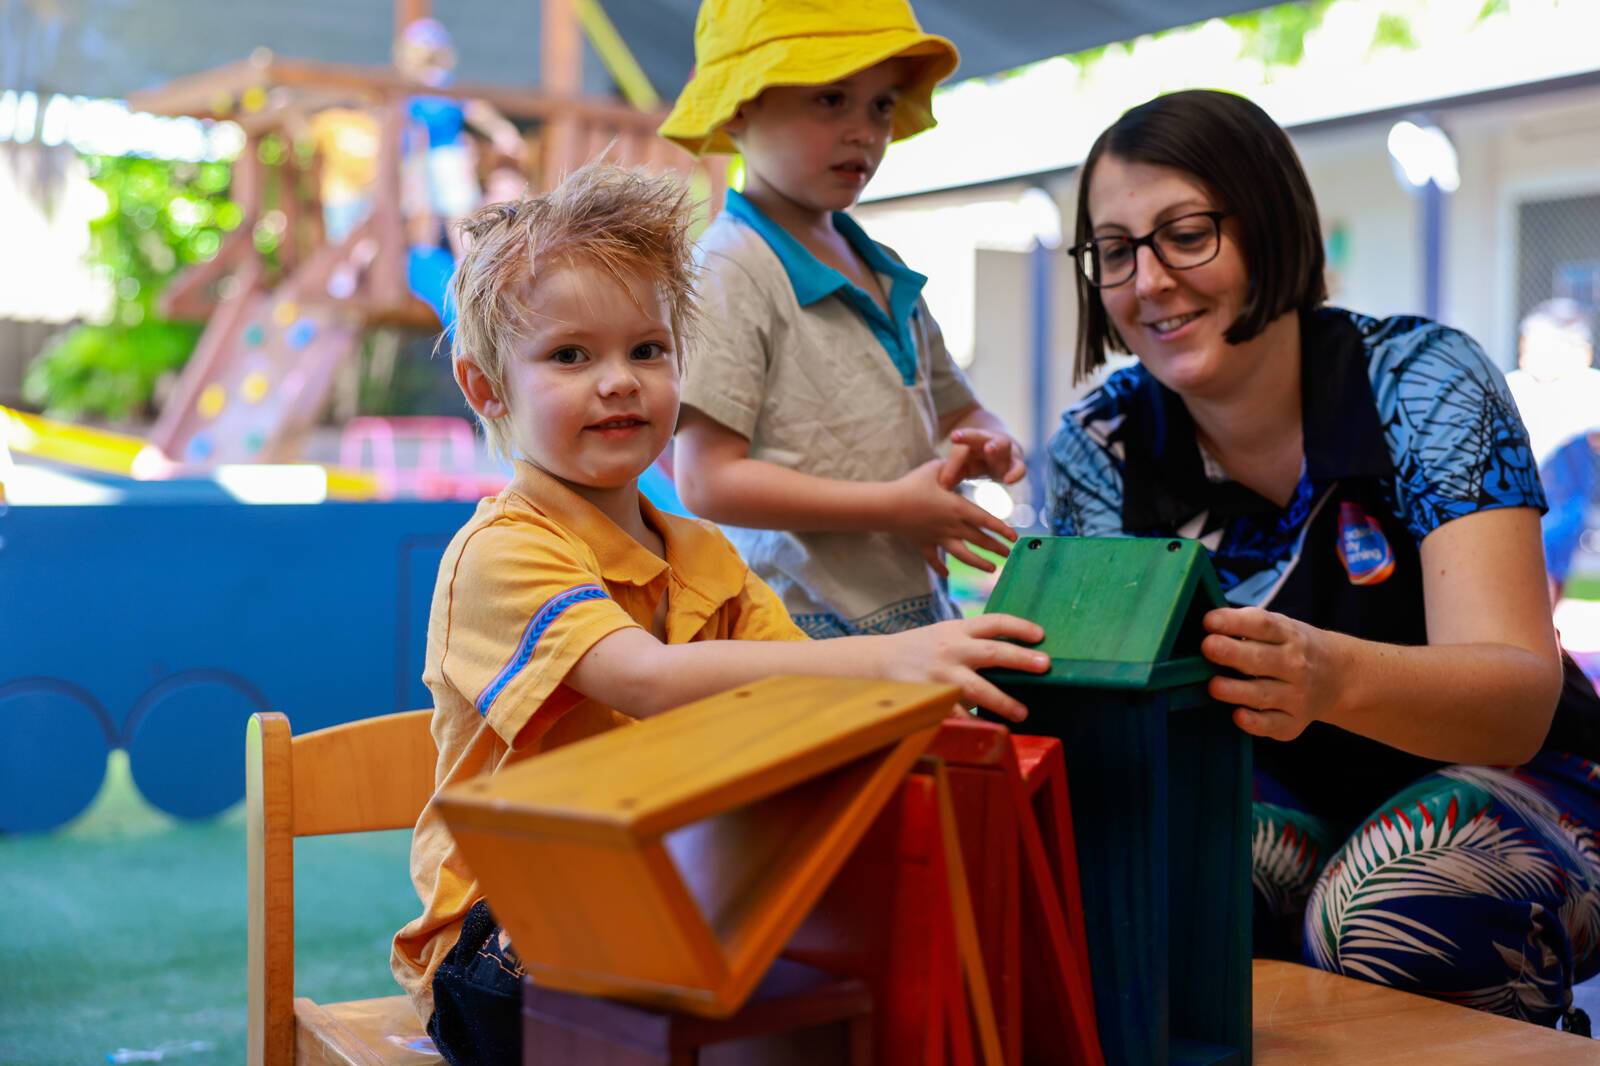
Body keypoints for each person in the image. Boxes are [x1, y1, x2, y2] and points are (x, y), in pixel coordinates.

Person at [389, 162, 1049, 1066]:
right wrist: (893, 657)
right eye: (570, 356)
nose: (619, 382)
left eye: (647, 351)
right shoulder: (503, 549)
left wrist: (927, 701)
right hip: (502, 932)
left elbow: (801, 702)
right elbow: (646, 680)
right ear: (485, 387)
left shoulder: (703, 557)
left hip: (668, 894)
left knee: (851, 949)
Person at [1046, 89, 1600, 1030]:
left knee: (1389, 904)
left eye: (1185, 235)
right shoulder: (1097, 447)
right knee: (1149, 887)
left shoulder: (1424, 382)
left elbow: (1514, 702)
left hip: (1530, 782)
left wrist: (1329, 676)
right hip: (1277, 807)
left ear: (1270, 227)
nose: (1148, 282)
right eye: (1114, 250)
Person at [661, 0, 1026, 638]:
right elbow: (706, 479)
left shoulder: (882, 265)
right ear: (741, 106)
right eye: (832, 99)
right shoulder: (730, 267)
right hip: (794, 630)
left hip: (909, 612)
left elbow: (957, 410)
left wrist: (989, 439)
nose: (865, 130)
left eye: (882, 104)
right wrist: (895, 507)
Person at [1505, 298, 1600, 602]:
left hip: (1567, 503)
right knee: (1531, 573)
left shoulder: (1586, 387)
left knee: (1554, 573)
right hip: (1521, 501)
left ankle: (1547, 630)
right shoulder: (1515, 387)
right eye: (1529, 346)